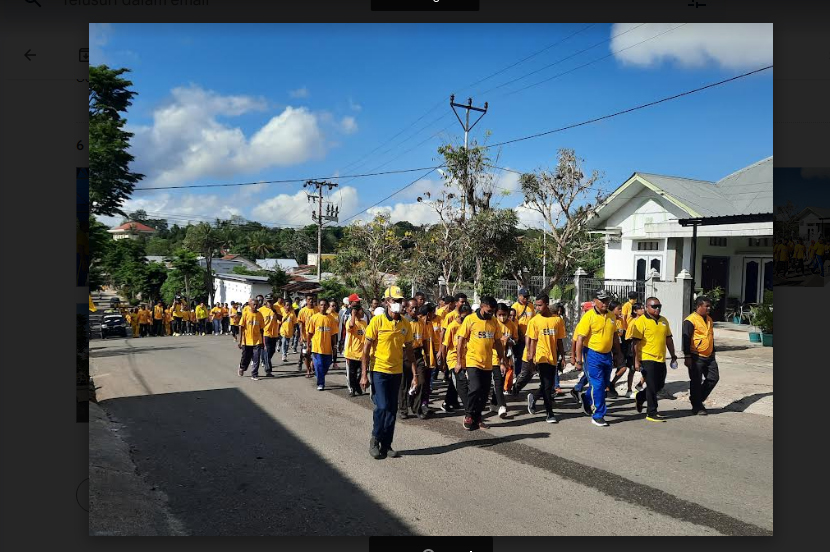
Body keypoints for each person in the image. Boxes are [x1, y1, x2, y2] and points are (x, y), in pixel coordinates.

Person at [360, 285, 416, 460]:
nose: (397, 304)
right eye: (394, 301)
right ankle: (375, 439)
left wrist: (415, 374)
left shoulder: (406, 324)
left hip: (396, 371)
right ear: (386, 302)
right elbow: (365, 349)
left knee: (392, 409)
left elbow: (409, 350)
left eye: (400, 301)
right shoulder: (376, 322)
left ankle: (387, 444)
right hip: (379, 370)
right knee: (382, 407)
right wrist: (363, 374)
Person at [574, 290, 623, 427]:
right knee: (598, 384)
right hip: (592, 354)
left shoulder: (612, 316)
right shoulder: (588, 317)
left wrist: (618, 354)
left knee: (604, 384)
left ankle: (587, 397)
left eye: (607, 300)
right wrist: (578, 360)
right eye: (602, 300)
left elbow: (614, 336)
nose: (605, 303)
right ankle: (598, 415)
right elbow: (580, 339)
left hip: (607, 355)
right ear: (595, 301)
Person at [456, 296, 505, 430]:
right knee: (475, 388)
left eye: (492, 311)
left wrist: (502, 359)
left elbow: (498, 342)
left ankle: (478, 419)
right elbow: (460, 341)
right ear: (482, 306)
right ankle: (468, 415)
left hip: (488, 363)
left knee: (484, 394)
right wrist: (459, 362)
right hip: (473, 361)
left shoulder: (494, 322)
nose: (491, 314)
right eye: (489, 311)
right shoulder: (470, 319)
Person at [629, 296, 678, 422]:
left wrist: (673, 355)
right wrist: (636, 360)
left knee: (660, 384)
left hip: (661, 358)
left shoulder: (663, 321)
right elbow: (635, 343)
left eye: (659, 306)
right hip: (647, 358)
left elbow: (669, 339)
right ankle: (651, 412)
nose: (657, 309)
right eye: (654, 306)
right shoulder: (641, 321)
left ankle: (641, 396)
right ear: (646, 307)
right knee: (651, 385)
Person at [522, 295, 566, 424]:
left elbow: (559, 341)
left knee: (548, 385)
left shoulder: (557, 320)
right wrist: (531, 357)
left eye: (540, 305)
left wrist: (563, 357)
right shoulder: (534, 321)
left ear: (547, 304)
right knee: (547, 386)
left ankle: (533, 399)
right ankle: (549, 413)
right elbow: (532, 341)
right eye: (536, 305)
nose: (537, 307)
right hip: (541, 357)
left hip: (553, 357)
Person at [683, 296, 719, 415]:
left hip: (709, 355)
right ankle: (697, 406)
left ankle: (697, 399)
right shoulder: (690, 320)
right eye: (706, 306)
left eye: (709, 306)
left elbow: (710, 336)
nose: (709, 308)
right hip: (695, 356)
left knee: (714, 378)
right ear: (698, 306)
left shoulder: (709, 319)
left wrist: (713, 350)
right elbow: (686, 339)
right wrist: (687, 356)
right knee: (696, 381)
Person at [440, 304, 471, 413]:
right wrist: (443, 363)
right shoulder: (452, 326)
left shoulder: (469, 326)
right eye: (463, 317)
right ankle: (470, 410)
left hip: (465, 359)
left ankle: (448, 402)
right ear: (458, 315)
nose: (464, 320)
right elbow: (445, 345)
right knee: (461, 381)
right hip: (453, 359)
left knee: (455, 382)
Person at [411, 303, 437, 419]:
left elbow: (430, 342)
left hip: (429, 357)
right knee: (419, 382)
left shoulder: (430, 324)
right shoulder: (418, 323)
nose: (434, 314)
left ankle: (423, 404)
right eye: (433, 312)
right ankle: (413, 404)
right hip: (417, 356)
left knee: (426, 384)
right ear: (428, 313)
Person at [307, 299, 337, 391]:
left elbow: (333, 334)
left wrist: (334, 345)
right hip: (317, 347)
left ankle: (319, 374)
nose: (323, 307)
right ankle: (321, 383)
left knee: (327, 365)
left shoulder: (331, 318)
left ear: (327, 306)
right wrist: (308, 345)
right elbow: (309, 333)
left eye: (324, 305)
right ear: (318, 306)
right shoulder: (314, 317)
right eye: (321, 305)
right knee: (319, 364)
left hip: (327, 348)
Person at [490, 303, 514, 418]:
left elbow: (516, 340)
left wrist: (510, 341)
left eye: (504, 314)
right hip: (495, 357)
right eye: (500, 315)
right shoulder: (493, 324)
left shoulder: (511, 325)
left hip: (506, 357)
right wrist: (501, 340)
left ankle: (494, 403)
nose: (502, 317)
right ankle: (502, 406)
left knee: (501, 381)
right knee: (498, 381)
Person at [510, 289, 535, 395]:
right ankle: (518, 375)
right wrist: (518, 335)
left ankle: (525, 374)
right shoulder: (515, 306)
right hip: (520, 337)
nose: (526, 299)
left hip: (529, 336)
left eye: (527, 297)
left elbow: (533, 319)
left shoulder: (531, 306)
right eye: (524, 297)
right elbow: (514, 322)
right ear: (519, 296)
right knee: (519, 357)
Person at [237, 298, 266, 380]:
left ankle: (254, 374)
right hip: (247, 340)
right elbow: (241, 327)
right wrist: (240, 341)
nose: (256, 306)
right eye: (254, 304)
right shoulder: (246, 314)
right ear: (250, 305)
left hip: (257, 340)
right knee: (246, 357)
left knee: (256, 358)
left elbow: (262, 329)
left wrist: (263, 342)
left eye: (257, 304)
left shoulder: (259, 315)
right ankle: (242, 367)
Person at [344, 304, 368, 397]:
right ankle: (353, 389)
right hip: (352, 353)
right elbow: (351, 325)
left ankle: (357, 385)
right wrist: (353, 314)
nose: (363, 313)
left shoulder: (364, 323)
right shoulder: (350, 322)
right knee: (352, 373)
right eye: (361, 310)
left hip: (362, 353)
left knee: (361, 372)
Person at [605, 301, 625, 399]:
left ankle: (611, 384)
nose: (621, 311)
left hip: (618, 347)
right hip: (609, 348)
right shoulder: (609, 319)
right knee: (607, 370)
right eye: (619, 309)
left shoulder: (621, 320)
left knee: (623, 368)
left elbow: (621, 333)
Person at [298, 293, 319, 377]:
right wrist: (300, 336)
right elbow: (300, 324)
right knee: (306, 354)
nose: (311, 301)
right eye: (309, 299)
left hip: (316, 337)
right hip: (305, 337)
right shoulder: (303, 311)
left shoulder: (317, 310)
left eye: (312, 299)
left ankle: (312, 366)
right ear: (306, 300)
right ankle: (308, 370)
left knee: (314, 353)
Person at [259, 296, 280, 377]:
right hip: (265, 333)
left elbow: (281, 318)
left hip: (274, 334)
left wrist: (275, 312)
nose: (270, 303)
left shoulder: (276, 308)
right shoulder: (261, 310)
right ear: (265, 302)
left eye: (271, 301)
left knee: (272, 351)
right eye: (268, 301)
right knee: (267, 351)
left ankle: (264, 359)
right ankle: (268, 370)